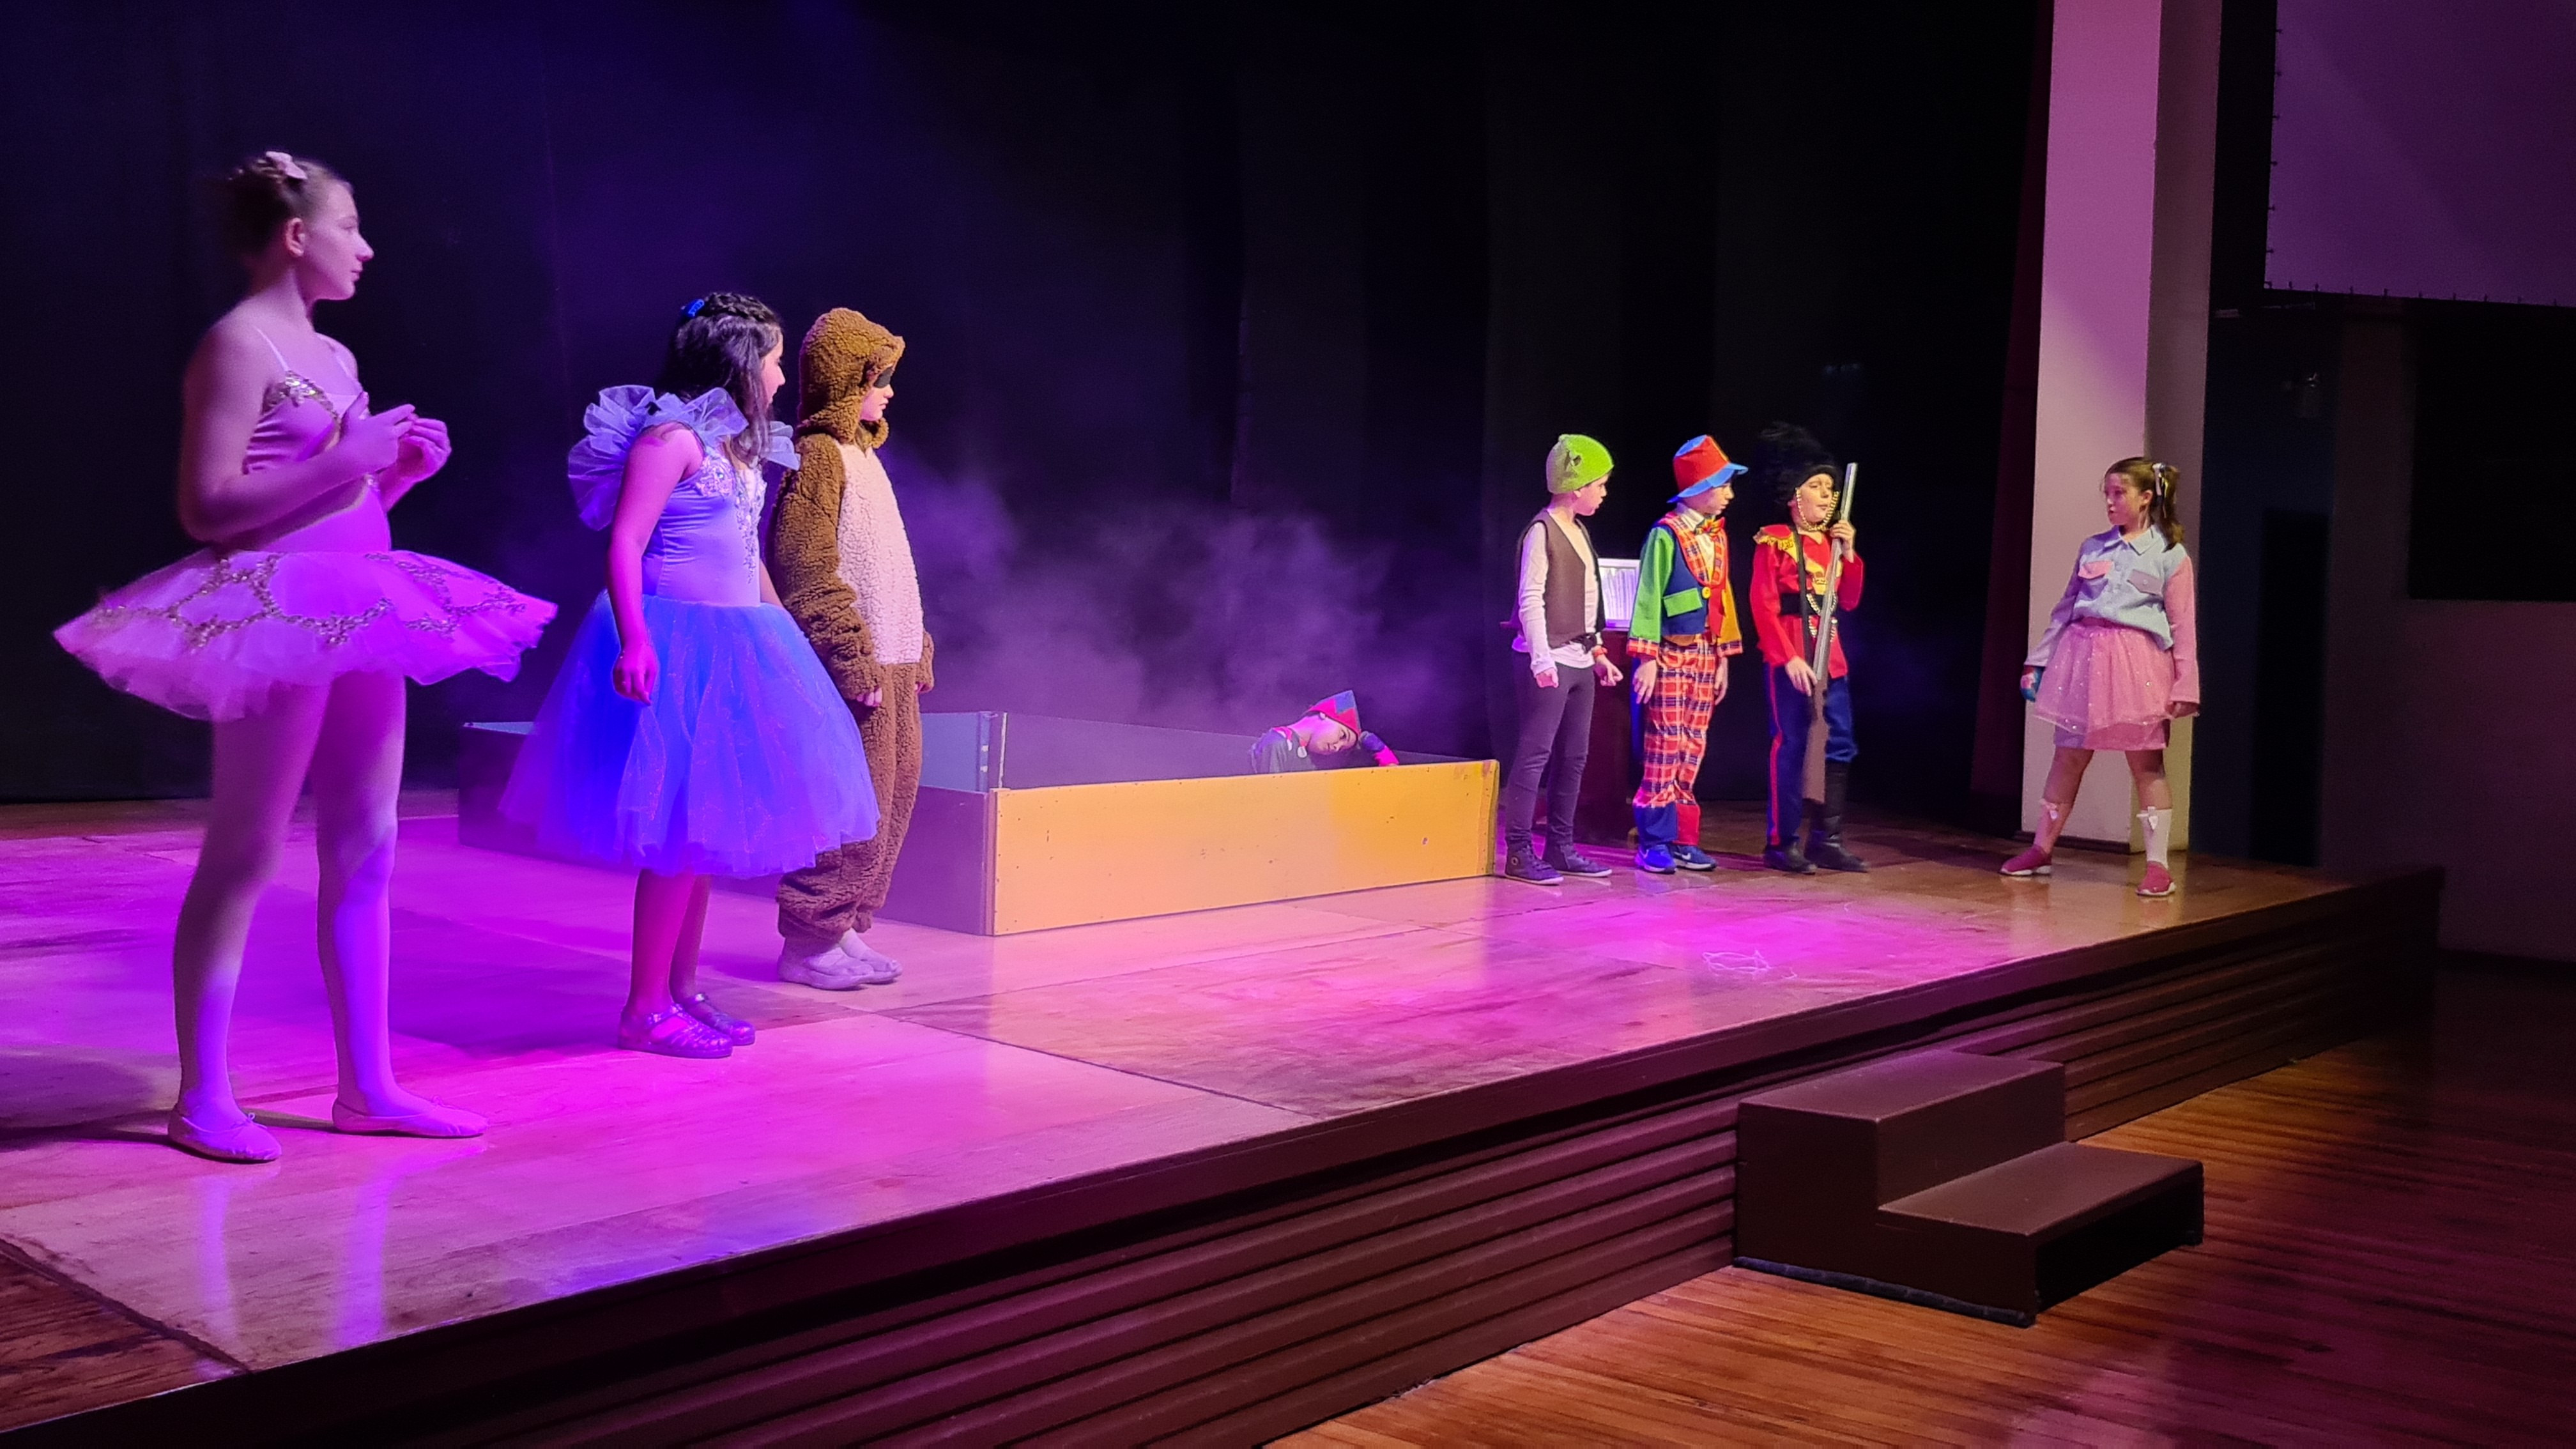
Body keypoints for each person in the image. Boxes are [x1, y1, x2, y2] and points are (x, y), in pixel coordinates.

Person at [54, 151, 553, 1162]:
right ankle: (204, 1096)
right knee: (246, 847)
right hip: (277, 612)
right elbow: (209, 508)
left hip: (360, 604)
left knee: (369, 841)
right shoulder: (237, 345)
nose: (365, 248)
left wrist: (392, 479)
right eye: (350, 227)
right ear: (296, 236)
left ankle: (368, 1086)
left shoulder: (336, 355)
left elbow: (338, 503)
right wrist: (350, 459)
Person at [501, 294, 878, 1057]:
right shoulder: (669, 440)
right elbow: (626, 543)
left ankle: (682, 989)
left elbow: (747, 556)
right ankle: (643, 1008)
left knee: (703, 841)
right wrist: (635, 640)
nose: (781, 377)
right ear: (739, 361)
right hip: (682, 646)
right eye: (773, 361)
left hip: (740, 643)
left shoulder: (741, 450)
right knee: (677, 838)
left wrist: (787, 634)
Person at [769, 309, 934, 990]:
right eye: (879, 378)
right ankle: (809, 940)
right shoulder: (818, 457)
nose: (889, 392)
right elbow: (804, 565)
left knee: (892, 798)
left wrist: (917, 647)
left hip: (893, 660)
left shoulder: (866, 458)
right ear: (847, 380)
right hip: (856, 666)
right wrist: (848, 654)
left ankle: (845, 925)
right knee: (848, 805)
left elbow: (890, 566)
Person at [2004, 457, 2201, 896]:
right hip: (2085, 659)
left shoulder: (2170, 554)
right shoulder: (2093, 548)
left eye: (2119, 494)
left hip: (2138, 665)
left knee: (2146, 763)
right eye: (2107, 494)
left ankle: (2157, 865)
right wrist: (2038, 661)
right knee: (2068, 756)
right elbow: (2066, 609)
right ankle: (2041, 849)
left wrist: (2186, 684)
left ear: (2145, 497)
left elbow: (2183, 625)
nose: (2110, 502)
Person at [1501, 434, 1623, 885]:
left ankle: (1561, 846)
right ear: (1577, 486)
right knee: (1535, 754)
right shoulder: (1543, 531)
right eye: (1600, 484)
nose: (1604, 493)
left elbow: (1587, 601)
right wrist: (1541, 660)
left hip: (1579, 659)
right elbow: (1531, 599)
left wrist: (1598, 652)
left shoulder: (1580, 530)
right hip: (1548, 658)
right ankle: (1519, 852)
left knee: (1574, 757)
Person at [1626, 435, 1747, 874]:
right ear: (1700, 488)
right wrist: (1647, 658)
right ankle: (1654, 839)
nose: (1730, 495)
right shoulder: (1666, 534)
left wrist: (1724, 657)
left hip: (1706, 654)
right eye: (1723, 486)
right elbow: (1648, 595)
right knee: (1666, 742)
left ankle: (1683, 838)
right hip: (1671, 653)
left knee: (1694, 743)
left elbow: (1723, 594)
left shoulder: (1718, 536)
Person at [1749, 425, 1866, 875]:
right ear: (1794, 494)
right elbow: (1763, 606)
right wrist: (1788, 658)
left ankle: (1827, 839)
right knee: (1794, 745)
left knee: (1840, 745)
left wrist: (1850, 552)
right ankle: (1782, 842)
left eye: (1830, 489)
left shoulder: (1832, 544)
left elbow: (1848, 600)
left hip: (1831, 658)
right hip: (1793, 658)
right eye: (1816, 486)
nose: (1826, 495)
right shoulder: (1775, 539)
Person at [1250, 691, 1400, 772]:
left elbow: (1390, 768)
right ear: (1325, 715)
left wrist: (1376, 748)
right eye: (1342, 736)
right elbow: (1270, 797)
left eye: (1341, 748)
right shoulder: (1279, 742)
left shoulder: (1315, 758)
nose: (1336, 747)